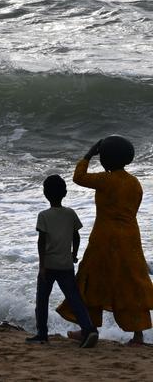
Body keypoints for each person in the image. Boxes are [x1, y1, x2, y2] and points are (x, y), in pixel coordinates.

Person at [57, 136, 153, 346]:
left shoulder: (105, 180)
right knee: (131, 283)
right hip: (130, 238)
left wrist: (89, 154)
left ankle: (87, 330)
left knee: (91, 280)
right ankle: (138, 336)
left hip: (104, 237)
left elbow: (78, 177)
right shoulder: (135, 183)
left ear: (107, 158)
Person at [27, 175, 97, 347]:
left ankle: (42, 334)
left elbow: (41, 242)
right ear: (65, 193)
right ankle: (89, 329)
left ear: (45, 194)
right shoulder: (70, 213)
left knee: (42, 301)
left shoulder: (43, 215)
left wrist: (42, 265)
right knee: (74, 299)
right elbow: (76, 236)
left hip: (49, 265)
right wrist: (74, 254)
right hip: (65, 265)